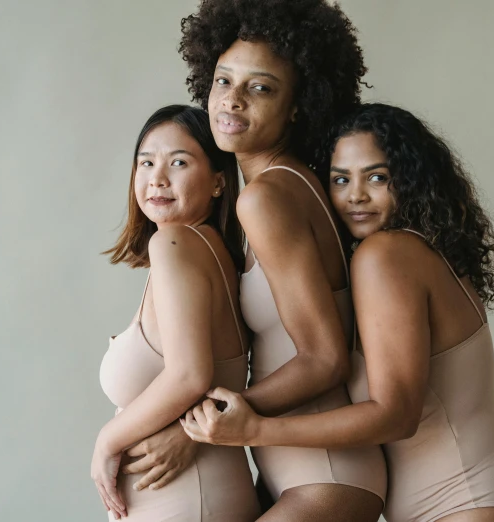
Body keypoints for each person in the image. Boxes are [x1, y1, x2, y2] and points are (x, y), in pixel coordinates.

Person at [182, 103, 494, 522]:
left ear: (411, 181)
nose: (355, 195)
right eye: (341, 179)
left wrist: (254, 430)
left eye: (377, 177)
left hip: (469, 500)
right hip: (473, 496)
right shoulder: (417, 252)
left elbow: (397, 414)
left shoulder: (387, 255)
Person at [134, 1, 388, 521]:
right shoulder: (286, 185)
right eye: (224, 80)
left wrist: (207, 425)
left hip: (324, 474)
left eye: (261, 87)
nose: (232, 100)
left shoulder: (266, 197)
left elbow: (324, 357)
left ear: (298, 105)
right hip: (300, 473)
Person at [92, 104, 260, 521]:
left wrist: (106, 441)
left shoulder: (174, 244)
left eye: (178, 162)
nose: (157, 178)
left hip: (188, 501)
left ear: (219, 182)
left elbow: (189, 376)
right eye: (145, 163)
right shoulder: (210, 252)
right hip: (198, 494)